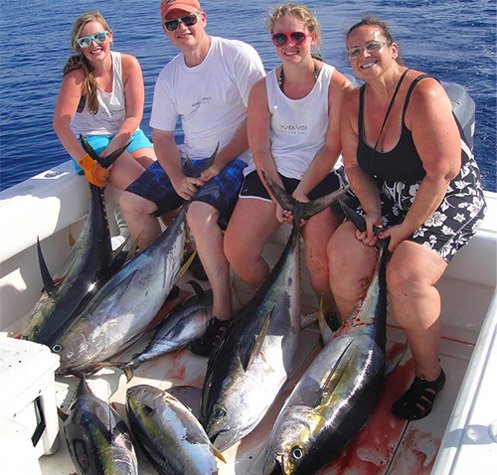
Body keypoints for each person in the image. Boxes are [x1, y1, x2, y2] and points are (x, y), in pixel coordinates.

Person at [328, 17, 487, 420]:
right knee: (343, 255)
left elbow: (442, 174)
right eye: (354, 51)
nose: (363, 56)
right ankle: (363, 356)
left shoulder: (424, 93)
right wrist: (373, 214)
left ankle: (430, 376)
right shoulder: (353, 102)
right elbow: (355, 166)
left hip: (445, 194)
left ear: (393, 48)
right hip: (388, 195)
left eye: (372, 46)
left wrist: (403, 232)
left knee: (406, 275)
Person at [119, 0, 265, 356]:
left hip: (239, 156)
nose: (182, 28)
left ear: (203, 19)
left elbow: (259, 117)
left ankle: (222, 311)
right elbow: (163, 138)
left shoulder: (236, 55)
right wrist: (176, 177)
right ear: (166, 32)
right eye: (172, 24)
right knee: (131, 203)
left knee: (200, 216)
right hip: (191, 156)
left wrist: (219, 163)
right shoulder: (170, 74)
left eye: (187, 19)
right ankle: (162, 284)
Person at [224, 3, 351, 319]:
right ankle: (275, 308)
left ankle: (326, 314)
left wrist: (299, 196)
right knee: (237, 253)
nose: (289, 44)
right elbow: (261, 149)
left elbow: (332, 148)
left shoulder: (337, 85)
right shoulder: (261, 89)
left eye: (297, 35)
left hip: (320, 176)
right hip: (273, 176)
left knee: (320, 267)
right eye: (280, 38)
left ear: (313, 37)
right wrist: (278, 196)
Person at [53, 11, 156, 191]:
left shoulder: (128, 65)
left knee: (164, 181)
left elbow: (133, 116)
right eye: (84, 41)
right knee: (146, 188)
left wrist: (110, 153)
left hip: (128, 136)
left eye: (99, 37)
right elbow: (61, 125)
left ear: (110, 36)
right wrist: (88, 164)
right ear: (78, 47)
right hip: (92, 142)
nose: (94, 44)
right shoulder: (76, 78)